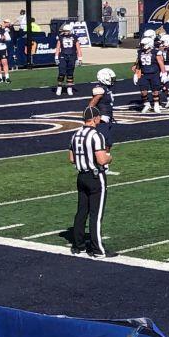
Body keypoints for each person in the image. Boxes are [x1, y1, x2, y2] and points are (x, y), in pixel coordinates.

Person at [67, 107, 112, 258]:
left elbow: (72, 159)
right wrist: (109, 158)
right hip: (94, 177)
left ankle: (78, 245)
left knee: (81, 211)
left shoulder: (75, 134)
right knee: (96, 214)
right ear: (95, 118)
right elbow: (101, 159)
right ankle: (98, 249)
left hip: (81, 177)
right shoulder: (96, 135)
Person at [86, 67, 117, 145]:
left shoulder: (106, 89)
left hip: (107, 117)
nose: (113, 80)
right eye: (111, 78)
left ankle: (105, 155)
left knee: (108, 143)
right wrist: (90, 116)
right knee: (104, 142)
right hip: (102, 119)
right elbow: (92, 104)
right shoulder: (100, 89)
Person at [54, 22, 80, 97]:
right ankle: (59, 87)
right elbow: (58, 47)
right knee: (61, 73)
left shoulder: (74, 37)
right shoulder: (61, 37)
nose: (65, 32)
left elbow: (78, 48)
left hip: (72, 56)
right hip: (63, 55)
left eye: (66, 31)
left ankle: (69, 88)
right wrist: (56, 56)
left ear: (70, 30)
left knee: (70, 73)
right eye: (64, 31)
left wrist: (79, 58)